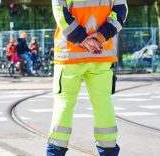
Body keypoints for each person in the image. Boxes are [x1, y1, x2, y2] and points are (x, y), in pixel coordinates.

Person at [47, 0, 128, 156]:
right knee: (103, 103)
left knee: (64, 103)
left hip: (70, 55)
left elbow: (61, 14)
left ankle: (55, 152)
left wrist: (83, 38)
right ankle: (109, 151)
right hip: (101, 52)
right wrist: (101, 35)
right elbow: (120, 11)